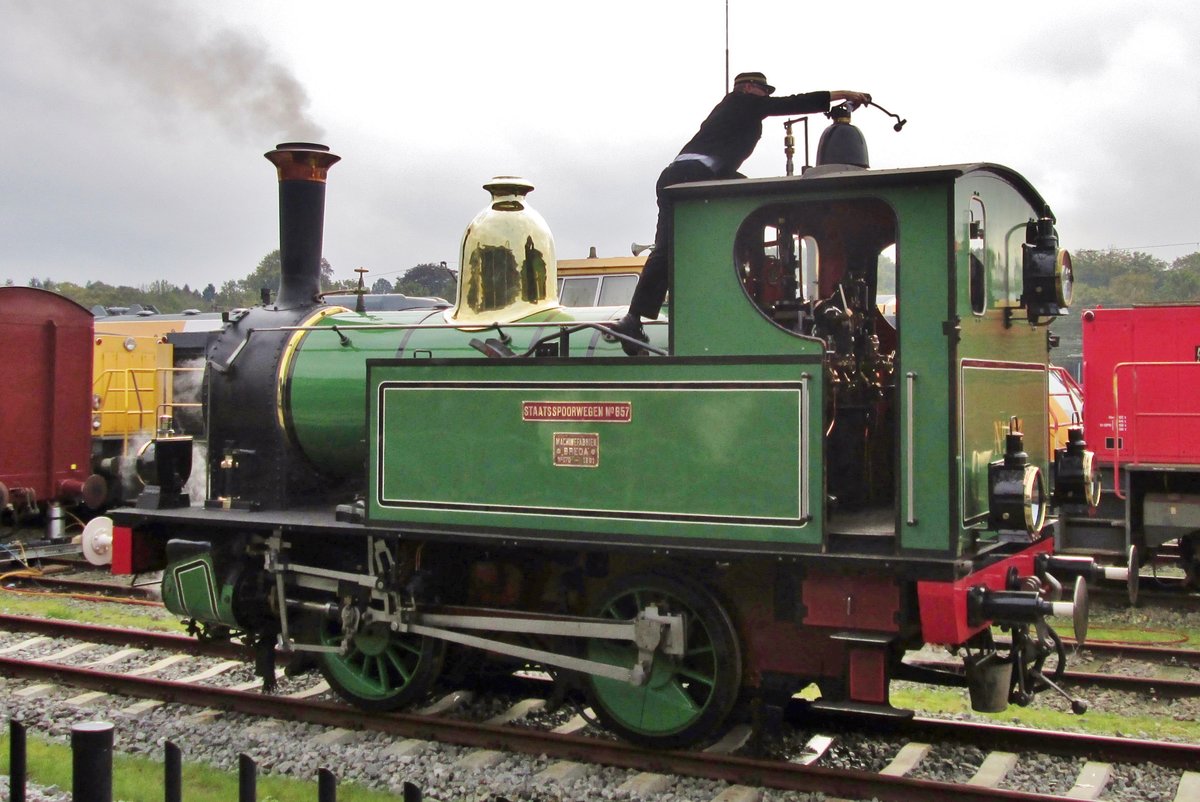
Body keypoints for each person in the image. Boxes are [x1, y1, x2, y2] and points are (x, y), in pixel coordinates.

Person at [609, 72, 871, 355]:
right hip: (691, 175)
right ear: (748, 87)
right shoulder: (743, 102)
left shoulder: (731, 111)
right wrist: (844, 93)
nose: (767, 97)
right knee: (667, 249)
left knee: (665, 250)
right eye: (763, 90)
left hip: (677, 176)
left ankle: (633, 319)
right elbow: (792, 103)